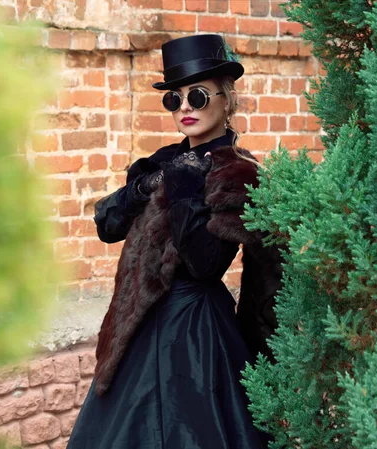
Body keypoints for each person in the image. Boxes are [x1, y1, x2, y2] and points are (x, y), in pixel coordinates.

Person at [66, 34, 282, 449]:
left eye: (197, 96)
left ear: (227, 99)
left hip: (197, 332)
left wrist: (183, 186)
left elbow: (205, 264)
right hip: (139, 325)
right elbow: (107, 224)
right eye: (174, 99)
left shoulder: (238, 172)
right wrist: (144, 185)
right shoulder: (164, 160)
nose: (184, 107)